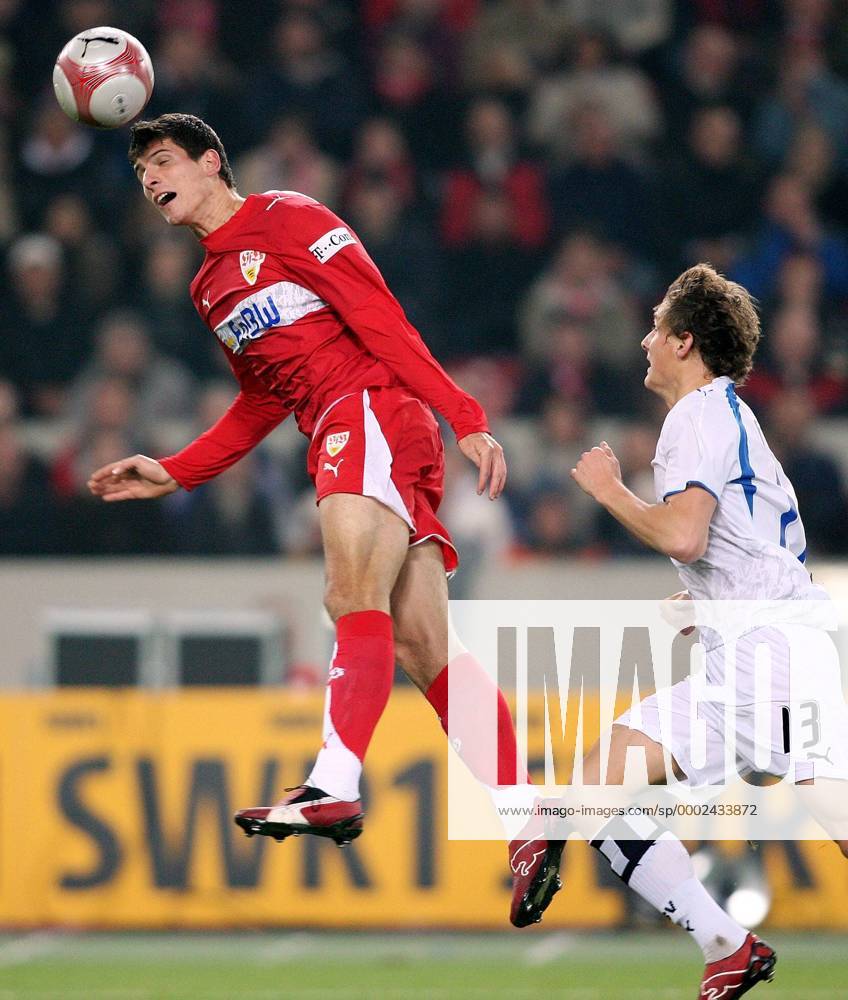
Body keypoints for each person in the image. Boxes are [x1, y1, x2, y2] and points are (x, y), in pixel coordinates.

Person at [87, 113, 560, 928]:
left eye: (163, 162)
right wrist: (177, 468)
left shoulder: (292, 218)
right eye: (140, 174)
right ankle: (527, 820)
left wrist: (466, 413)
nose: (151, 181)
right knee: (423, 647)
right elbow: (263, 397)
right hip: (342, 425)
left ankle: (335, 785)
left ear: (211, 163)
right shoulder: (208, 287)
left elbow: (380, 320)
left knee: (349, 597)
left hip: (371, 409)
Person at [564, 264, 848, 998]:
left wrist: (609, 491)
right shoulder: (724, 417)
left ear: (686, 342)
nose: (645, 338)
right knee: (598, 779)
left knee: (834, 805)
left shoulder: (696, 416)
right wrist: (708, 606)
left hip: (772, 652)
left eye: (658, 325)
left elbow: (686, 536)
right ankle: (724, 941)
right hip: (742, 653)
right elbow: (750, 545)